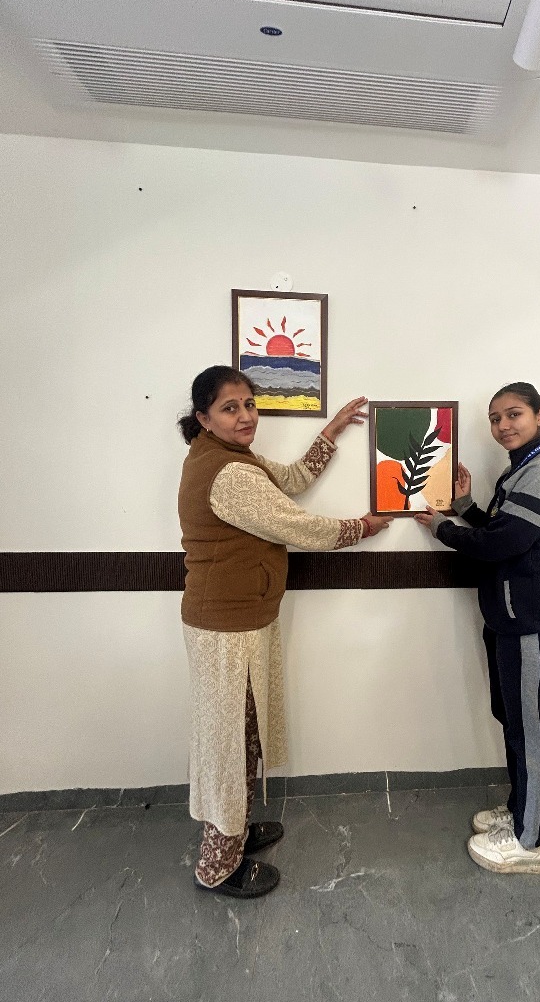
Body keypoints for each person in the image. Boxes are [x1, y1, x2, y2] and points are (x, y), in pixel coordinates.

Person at [177, 365, 390, 899]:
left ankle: (236, 832)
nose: (245, 416)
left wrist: (331, 431)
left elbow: (289, 481)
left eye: (249, 404)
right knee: (230, 745)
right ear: (204, 418)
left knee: (243, 734)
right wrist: (361, 527)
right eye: (230, 408)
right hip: (225, 628)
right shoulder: (228, 473)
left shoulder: (232, 458)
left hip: (239, 620)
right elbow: (297, 524)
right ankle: (217, 866)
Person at [415, 382, 540, 875]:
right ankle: (520, 811)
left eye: (514, 414)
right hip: (512, 621)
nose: (503, 426)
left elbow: (499, 545)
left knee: (530, 728)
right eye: (495, 419)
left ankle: (531, 841)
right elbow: (504, 530)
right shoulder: (523, 469)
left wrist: (444, 528)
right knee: (514, 720)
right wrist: (466, 506)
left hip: (533, 624)